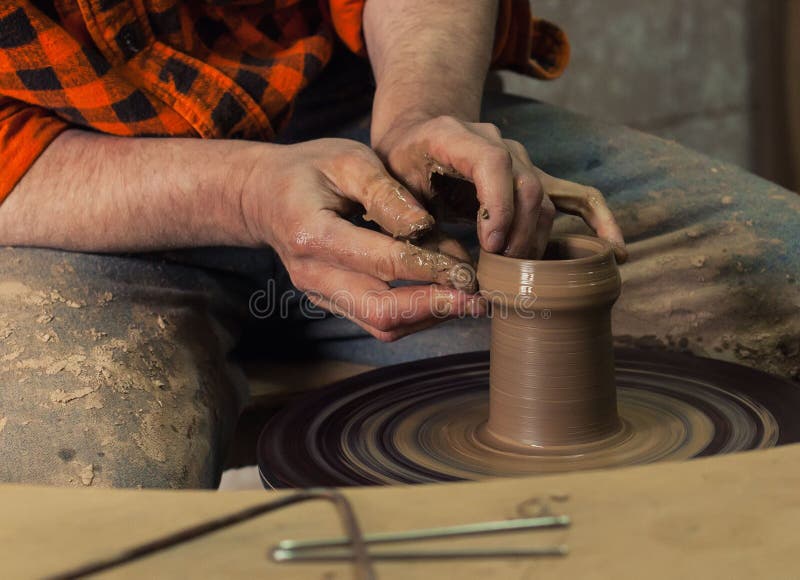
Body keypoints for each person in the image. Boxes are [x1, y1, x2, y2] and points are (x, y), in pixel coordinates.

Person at [0, 1, 797, 489]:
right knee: (78, 507)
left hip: (357, 106)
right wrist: (243, 192)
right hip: (65, 188)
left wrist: (421, 111)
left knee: (776, 280)